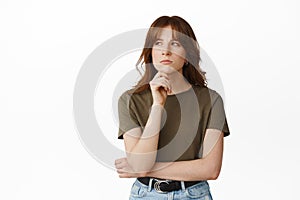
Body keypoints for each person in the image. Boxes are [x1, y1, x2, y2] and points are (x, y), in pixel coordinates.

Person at [115, 15, 230, 200]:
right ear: (150, 52)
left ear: (188, 56)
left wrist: (146, 169)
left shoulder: (210, 100)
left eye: (175, 44)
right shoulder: (130, 100)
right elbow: (140, 164)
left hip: (194, 195)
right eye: (159, 43)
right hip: (145, 195)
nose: (165, 51)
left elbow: (211, 169)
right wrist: (158, 106)